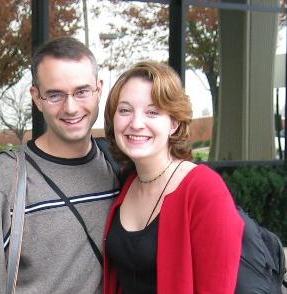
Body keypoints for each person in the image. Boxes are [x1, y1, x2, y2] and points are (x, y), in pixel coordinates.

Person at [0, 37, 120, 293]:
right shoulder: (5, 177)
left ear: (99, 90)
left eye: (82, 91)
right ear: (37, 97)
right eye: (55, 94)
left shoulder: (116, 167)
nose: (70, 107)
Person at [102, 61, 245, 294]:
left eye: (152, 112)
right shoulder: (126, 183)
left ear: (174, 124)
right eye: (125, 110)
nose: (136, 123)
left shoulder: (204, 190)